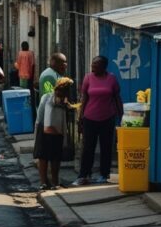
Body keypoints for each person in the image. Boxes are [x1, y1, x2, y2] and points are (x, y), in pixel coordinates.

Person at [73, 56, 123, 186]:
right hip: (90, 118)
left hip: (108, 118)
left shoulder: (111, 79)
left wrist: (121, 116)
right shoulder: (88, 78)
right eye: (92, 64)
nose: (92, 66)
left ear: (104, 66)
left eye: (96, 64)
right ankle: (84, 175)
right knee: (88, 148)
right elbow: (84, 99)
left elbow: (117, 98)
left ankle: (104, 174)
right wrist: (80, 119)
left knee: (106, 148)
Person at [34, 77, 74, 191]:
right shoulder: (50, 99)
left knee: (49, 157)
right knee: (48, 157)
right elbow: (47, 124)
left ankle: (49, 182)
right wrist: (58, 132)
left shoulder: (60, 100)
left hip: (50, 130)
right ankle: (49, 182)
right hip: (48, 130)